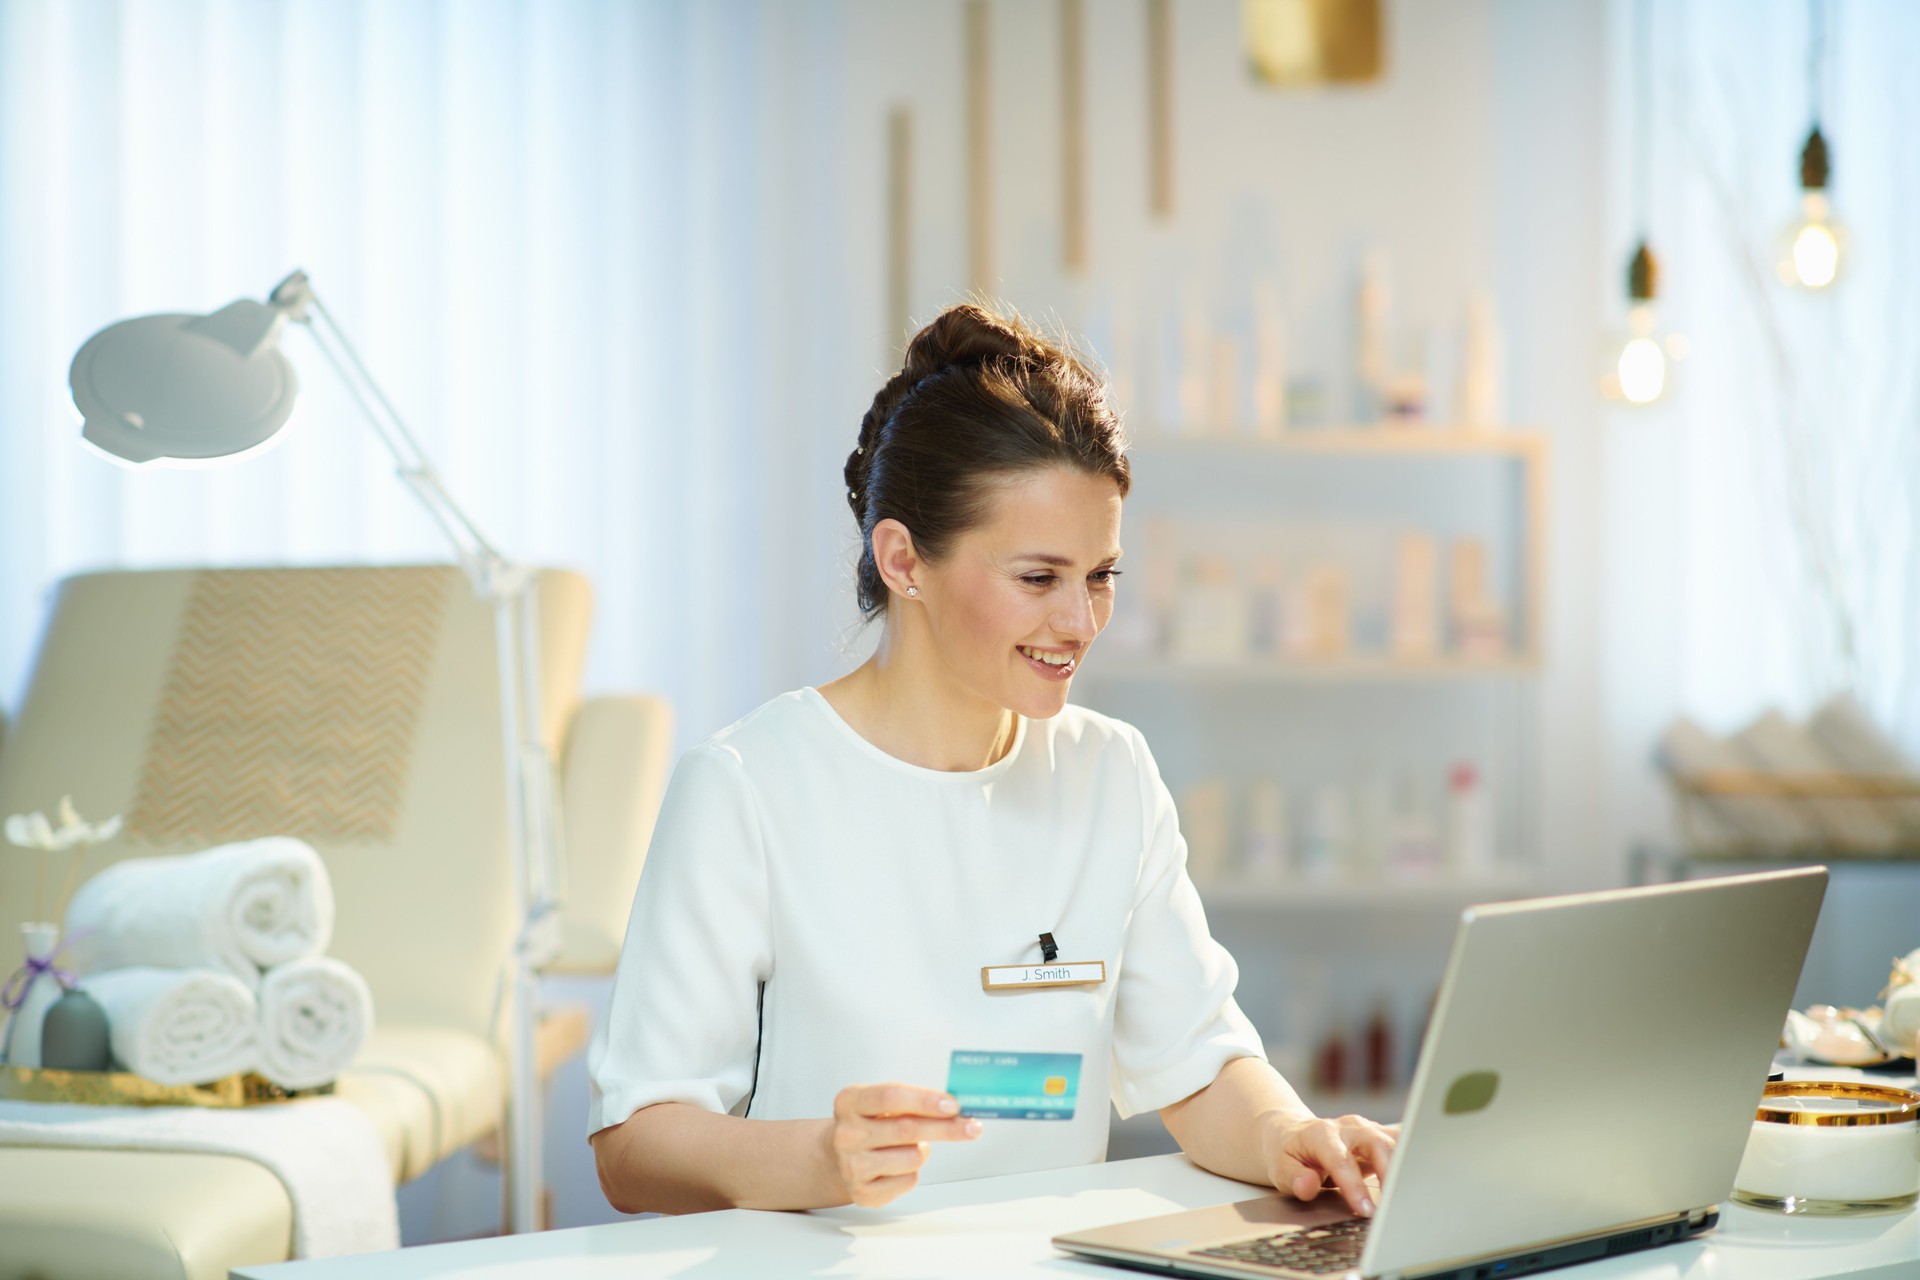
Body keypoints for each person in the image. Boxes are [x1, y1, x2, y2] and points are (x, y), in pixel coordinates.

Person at [588, 303, 1396, 1216]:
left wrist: (1291, 1137)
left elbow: (1200, 1064)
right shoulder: (748, 788)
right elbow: (634, 1143)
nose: (1081, 623)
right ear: (902, 560)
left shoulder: (1109, 776)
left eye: (1100, 576)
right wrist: (816, 1159)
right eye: (1039, 578)